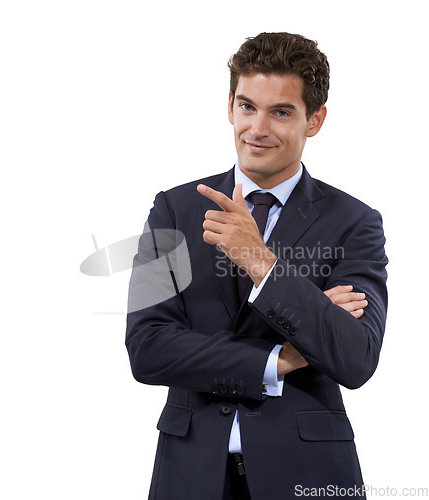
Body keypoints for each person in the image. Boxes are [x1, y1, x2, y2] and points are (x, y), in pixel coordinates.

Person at [125, 32, 388, 500]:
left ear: (316, 119)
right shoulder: (173, 209)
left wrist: (262, 263)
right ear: (230, 105)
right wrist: (276, 360)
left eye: (281, 112)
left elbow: (355, 357)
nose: (257, 128)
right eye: (247, 107)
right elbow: (147, 348)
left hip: (309, 471)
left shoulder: (354, 222)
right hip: (189, 473)